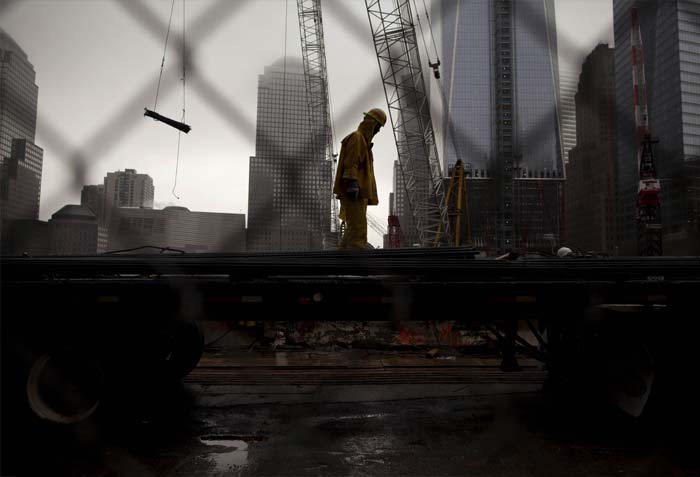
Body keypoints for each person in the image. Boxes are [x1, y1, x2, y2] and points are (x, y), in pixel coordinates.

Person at [333, 108, 387, 250]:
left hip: (359, 192)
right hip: (353, 190)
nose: (378, 131)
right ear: (371, 124)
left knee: (353, 225)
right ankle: (357, 249)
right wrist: (352, 183)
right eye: (378, 127)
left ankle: (343, 251)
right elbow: (351, 162)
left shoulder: (365, 144)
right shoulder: (357, 138)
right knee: (358, 225)